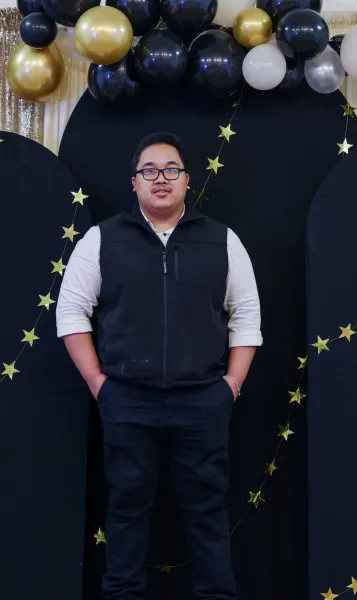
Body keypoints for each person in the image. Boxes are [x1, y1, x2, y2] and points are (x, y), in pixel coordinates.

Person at [56, 132, 263, 600]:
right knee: (126, 511)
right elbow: (70, 312)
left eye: (171, 169)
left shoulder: (223, 240)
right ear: (135, 182)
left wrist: (230, 385)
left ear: (187, 180)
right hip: (127, 400)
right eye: (149, 170)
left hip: (203, 401)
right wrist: (99, 383)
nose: (161, 178)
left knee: (208, 513)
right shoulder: (101, 239)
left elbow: (247, 316)